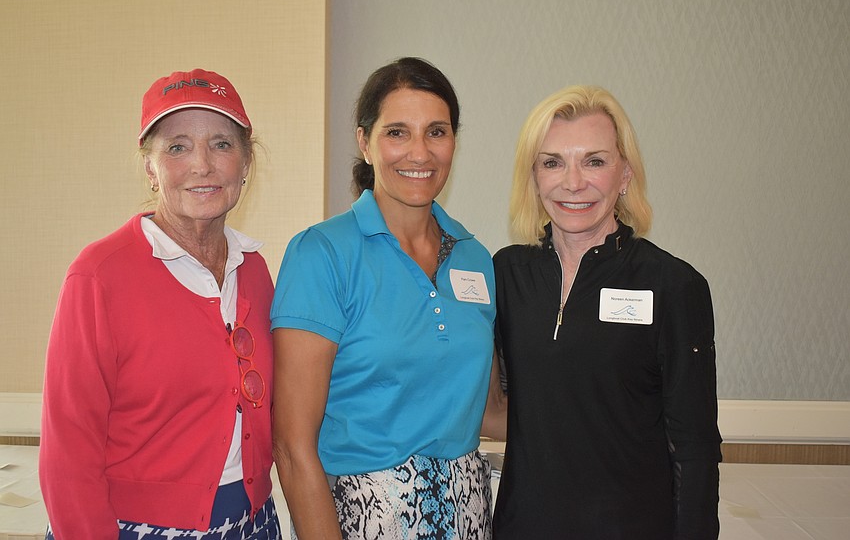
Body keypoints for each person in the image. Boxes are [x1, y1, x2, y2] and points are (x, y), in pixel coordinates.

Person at [39, 69, 281, 540]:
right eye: (177, 147)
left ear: (246, 163)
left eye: (221, 144)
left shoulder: (253, 269)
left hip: (253, 522)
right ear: (150, 168)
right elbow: (68, 455)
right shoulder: (98, 275)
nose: (201, 165)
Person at [271, 57, 505, 540]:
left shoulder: (475, 258)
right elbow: (293, 447)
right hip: (363, 518)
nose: (420, 152)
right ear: (365, 141)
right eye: (398, 132)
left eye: (437, 132)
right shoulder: (322, 254)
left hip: (468, 515)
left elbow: (487, 411)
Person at [492, 85, 721, 539]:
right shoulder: (506, 275)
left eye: (594, 161)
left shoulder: (673, 285)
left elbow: (694, 448)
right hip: (524, 527)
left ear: (625, 174)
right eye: (552, 162)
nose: (573, 182)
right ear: (533, 177)